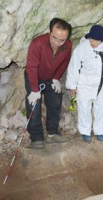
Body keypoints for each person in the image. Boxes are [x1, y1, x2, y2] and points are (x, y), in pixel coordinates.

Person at [24, 18, 72, 149]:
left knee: (55, 102)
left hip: (51, 78)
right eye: (54, 38)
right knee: (34, 106)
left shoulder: (67, 46)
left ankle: (52, 133)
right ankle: (36, 138)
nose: (57, 43)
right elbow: (31, 67)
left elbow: (64, 63)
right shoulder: (37, 44)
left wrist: (56, 78)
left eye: (62, 40)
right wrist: (34, 90)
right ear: (49, 32)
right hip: (34, 76)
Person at [65, 24, 103, 143]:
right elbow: (74, 67)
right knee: (84, 108)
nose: (93, 42)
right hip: (84, 84)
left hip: (100, 84)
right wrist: (72, 85)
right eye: (92, 38)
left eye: (96, 40)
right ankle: (85, 131)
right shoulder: (81, 48)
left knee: (100, 108)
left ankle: (100, 131)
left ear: (102, 40)